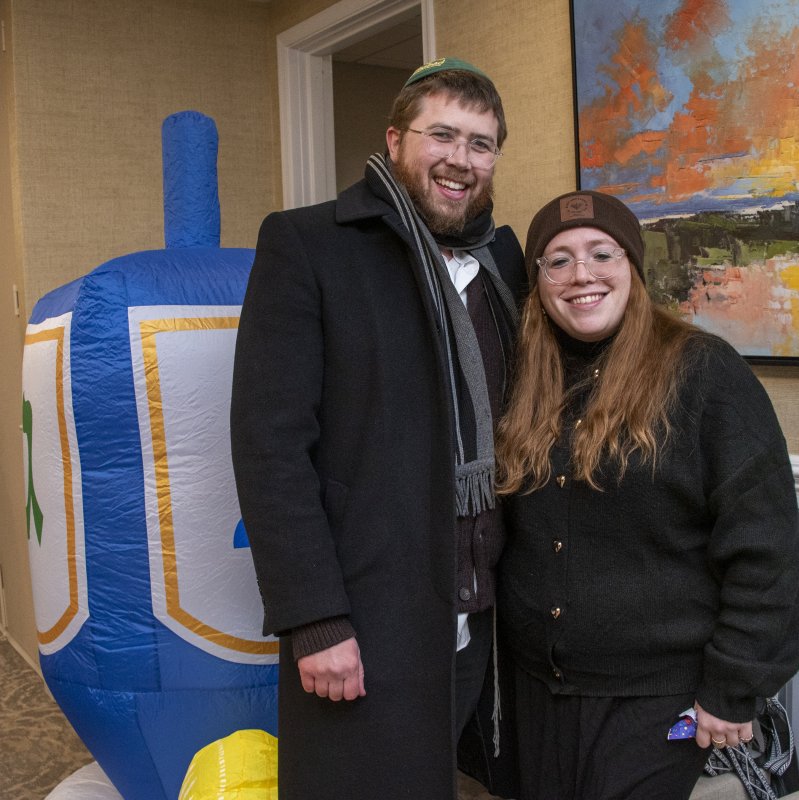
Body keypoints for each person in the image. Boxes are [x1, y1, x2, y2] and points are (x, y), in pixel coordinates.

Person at [230, 57, 527, 800]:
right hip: (368, 610)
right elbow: (270, 447)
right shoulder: (308, 245)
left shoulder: (503, 262)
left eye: (482, 143)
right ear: (394, 140)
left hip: (479, 602)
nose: (462, 159)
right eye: (443, 135)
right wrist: (316, 619)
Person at [495, 189, 799, 800]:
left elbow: (768, 551)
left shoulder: (704, 374)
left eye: (601, 253)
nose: (581, 274)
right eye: (558, 260)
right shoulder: (522, 378)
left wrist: (732, 689)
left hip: (662, 703)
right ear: (538, 282)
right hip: (540, 695)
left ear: (632, 266)